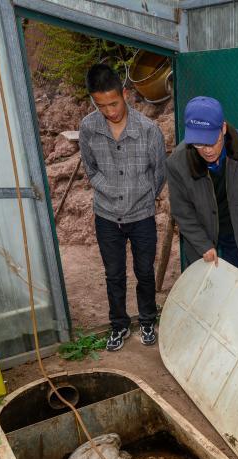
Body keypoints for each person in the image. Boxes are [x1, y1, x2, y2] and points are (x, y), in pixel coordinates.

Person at [79, 63, 166, 352]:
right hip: (106, 216)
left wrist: (141, 196)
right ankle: (119, 325)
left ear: (125, 94)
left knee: (145, 271)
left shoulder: (148, 130)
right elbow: (91, 170)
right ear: (93, 101)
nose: (110, 111)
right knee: (113, 274)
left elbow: (159, 173)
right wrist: (111, 191)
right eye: (101, 106)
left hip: (142, 216)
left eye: (114, 103)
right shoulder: (88, 128)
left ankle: (147, 320)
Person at [167, 96, 238, 272]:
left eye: (212, 141)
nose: (207, 150)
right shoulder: (177, 162)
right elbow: (182, 211)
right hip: (201, 229)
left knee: (235, 281)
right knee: (203, 285)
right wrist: (202, 244)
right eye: (199, 143)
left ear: (223, 128)